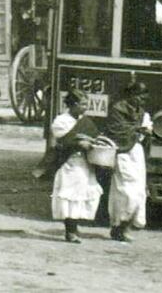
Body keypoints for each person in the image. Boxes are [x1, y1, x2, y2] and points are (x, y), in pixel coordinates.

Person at [50, 89, 102, 243]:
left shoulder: (84, 121)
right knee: (70, 195)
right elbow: (62, 142)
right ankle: (70, 230)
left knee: (81, 194)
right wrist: (79, 143)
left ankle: (74, 227)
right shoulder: (61, 121)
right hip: (69, 162)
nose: (86, 107)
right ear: (73, 105)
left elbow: (94, 136)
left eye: (87, 104)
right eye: (83, 104)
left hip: (84, 163)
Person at [105, 80, 151, 242]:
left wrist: (144, 133)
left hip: (136, 153)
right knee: (125, 191)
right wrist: (137, 130)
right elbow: (114, 130)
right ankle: (117, 225)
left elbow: (142, 132)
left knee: (138, 191)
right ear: (131, 94)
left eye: (144, 98)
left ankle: (124, 227)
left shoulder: (141, 112)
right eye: (139, 96)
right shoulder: (117, 109)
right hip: (122, 152)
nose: (141, 101)